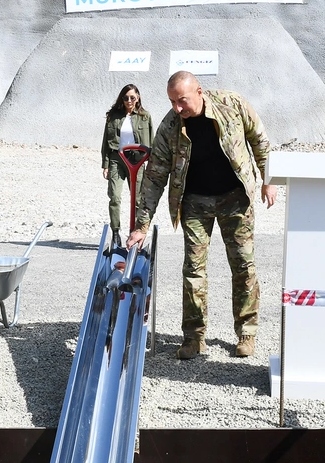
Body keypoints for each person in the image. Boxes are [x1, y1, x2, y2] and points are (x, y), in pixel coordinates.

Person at [127, 71, 276, 360]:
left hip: (236, 199)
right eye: (172, 102)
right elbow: (155, 174)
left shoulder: (231, 104)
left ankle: (247, 332)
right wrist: (141, 225)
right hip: (194, 203)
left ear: (199, 91)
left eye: (182, 100)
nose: (177, 108)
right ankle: (194, 337)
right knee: (193, 270)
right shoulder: (171, 126)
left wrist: (269, 178)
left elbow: (259, 139)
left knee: (244, 265)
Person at [101, 83, 153, 248]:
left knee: (138, 199)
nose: (129, 100)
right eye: (125, 98)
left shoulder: (145, 116)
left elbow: (151, 141)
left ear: (138, 97)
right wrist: (106, 164)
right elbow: (105, 142)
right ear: (121, 99)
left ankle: (135, 232)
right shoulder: (113, 116)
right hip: (117, 158)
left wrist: (151, 162)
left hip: (136, 159)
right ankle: (116, 231)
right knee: (114, 197)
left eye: (132, 97)